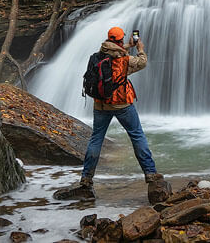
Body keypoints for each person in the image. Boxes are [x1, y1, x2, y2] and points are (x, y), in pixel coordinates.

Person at [54, 26, 169, 202]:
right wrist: (140, 49)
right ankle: (151, 174)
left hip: (101, 105)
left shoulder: (98, 55)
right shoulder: (124, 59)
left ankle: (86, 179)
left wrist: (127, 47)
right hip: (122, 104)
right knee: (137, 135)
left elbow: (114, 54)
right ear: (119, 40)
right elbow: (141, 62)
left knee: (96, 139)